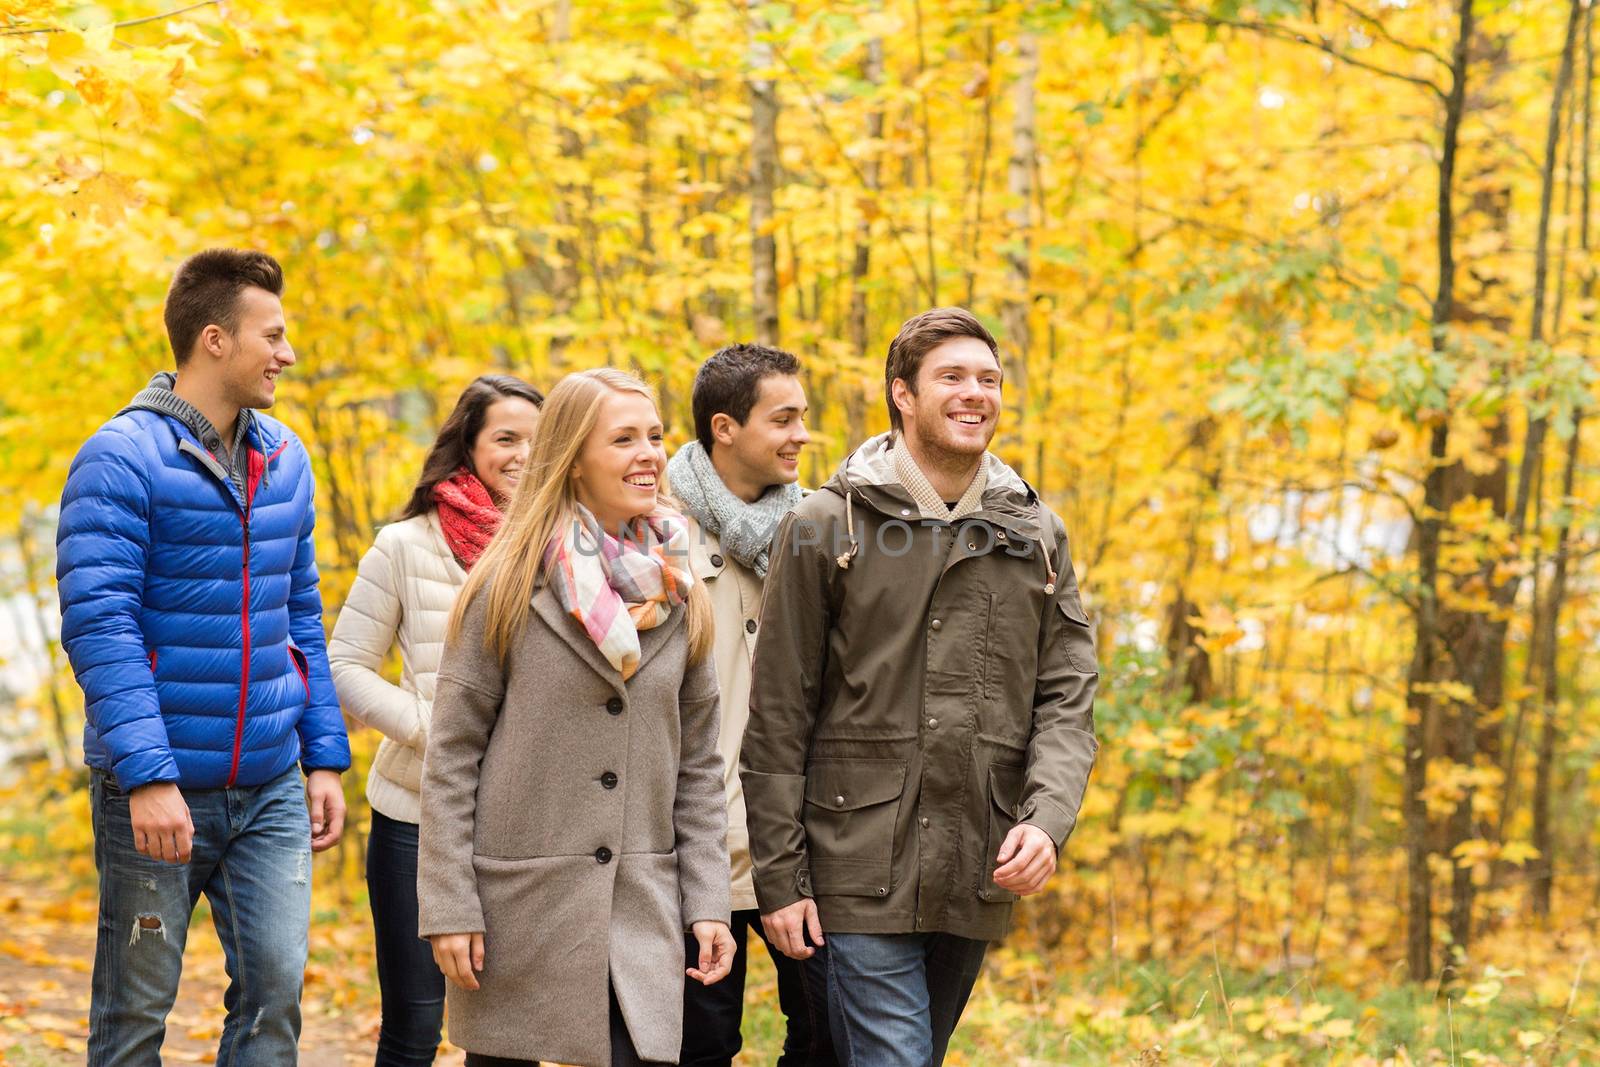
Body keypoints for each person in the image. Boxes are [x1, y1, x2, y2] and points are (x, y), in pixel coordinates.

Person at [741, 307, 1100, 1067]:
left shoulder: (1036, 533)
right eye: (954, 377)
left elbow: (1068, 696)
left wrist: (1047, 817)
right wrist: (780, 878)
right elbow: (776, 716)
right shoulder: (822, 525)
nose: (977, 394)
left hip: (977, 856)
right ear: (902, 394)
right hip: (852, 858)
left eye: (990, 379)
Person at [56, 248, 352, 1067]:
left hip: (268, 785)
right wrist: (148, 775)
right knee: (136, 1012)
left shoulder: (286, 457)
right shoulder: (120, 457)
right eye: (275, 336)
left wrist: (323, 755)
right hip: (155, 790)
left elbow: (301, 613)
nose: (287, 355)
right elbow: (99, 625)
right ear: (216, 340)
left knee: (275, 996)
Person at [417, 368, 737, 1067]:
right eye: (623, 438)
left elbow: (701, 768)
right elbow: (452, 758)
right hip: (519, 909)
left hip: (640, 906)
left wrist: (708, 900)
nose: (650, 453)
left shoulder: (683, 592)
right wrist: (449, 904)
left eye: (654, 435)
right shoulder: (502, 588)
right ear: (572, 456)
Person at [328, 374, 544, 1067]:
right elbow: (344, 667)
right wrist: (432, 726)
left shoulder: (572, 546)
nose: (523, 453)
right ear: (468, 446)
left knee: (511, 1032)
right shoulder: (404, 546)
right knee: (416, 1028)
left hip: (528, 829)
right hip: (416, 818)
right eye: (506, 438)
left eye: (538, 439)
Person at [665, 343, 836, 1067]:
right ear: (725, 427)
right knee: (697, 1046)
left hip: (802, 839)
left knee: (834, 1036)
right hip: (691, 841)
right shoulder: (653, 531)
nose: (802, 433)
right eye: (784, 418)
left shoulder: (826, 530)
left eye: (803, 416)